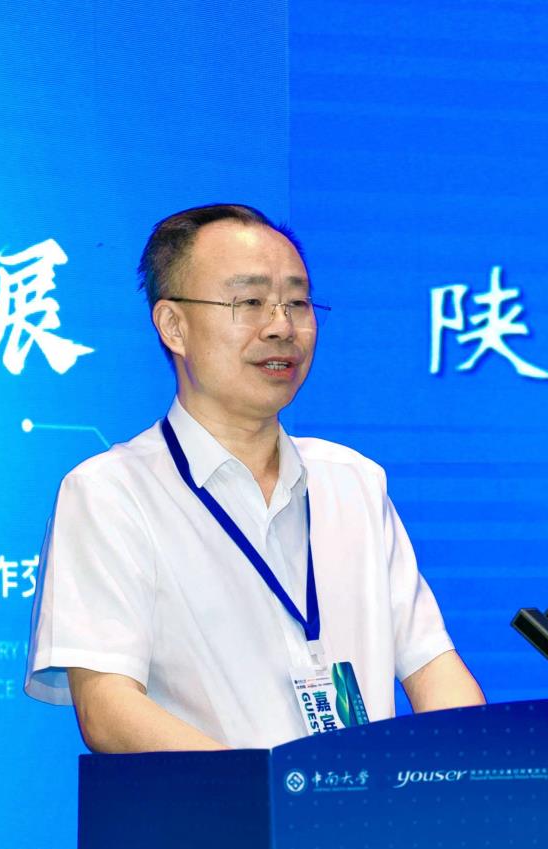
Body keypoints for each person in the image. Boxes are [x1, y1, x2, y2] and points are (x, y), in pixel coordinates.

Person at [24, 203, 483, 750]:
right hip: (220, 806)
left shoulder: (354, 481)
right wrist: (266, 789)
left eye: (297, 303)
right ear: (173, 326)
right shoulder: (111, 492)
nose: (282, 327)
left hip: (366, 805)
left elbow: (433, 665)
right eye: (250, 302)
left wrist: (469, 764)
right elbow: (108, 709)